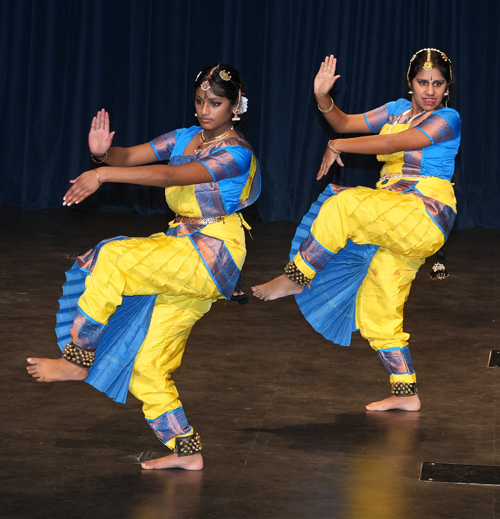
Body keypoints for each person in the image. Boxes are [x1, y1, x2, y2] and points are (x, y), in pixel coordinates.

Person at [26, 63, 261, 470]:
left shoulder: (236, 154)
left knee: (114, 257)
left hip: (212, 253)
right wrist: (102, 153)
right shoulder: (185, 137)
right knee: (148, 364)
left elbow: (170, 174)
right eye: (200, 101)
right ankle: (186, 452)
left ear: (235, 106)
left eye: (216, 103)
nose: (206, 110)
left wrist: (102, 175)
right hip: (184, 250)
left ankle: (78, 357)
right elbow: (131, 155)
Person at [253, 49, 460, 412]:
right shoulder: (396, 110)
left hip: (424, 211)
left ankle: (298, 276)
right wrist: (322, 98)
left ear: (447, 87)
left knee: (344, 205)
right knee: (378, 306)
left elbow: (395, 143)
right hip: (394, 215)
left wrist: (338, 146)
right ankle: (406, 393)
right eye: (422, 82)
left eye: (438, 83)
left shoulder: (447, 119)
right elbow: (344, 122)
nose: (430, 90)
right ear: (410, 83)